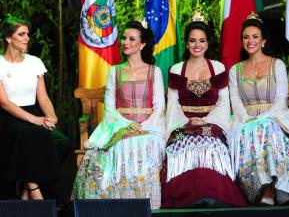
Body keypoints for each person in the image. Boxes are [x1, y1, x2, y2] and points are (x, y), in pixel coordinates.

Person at [71, 20, 166, 209]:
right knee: (102, 154)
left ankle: (142, 206)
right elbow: (110, 108)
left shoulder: (154, 72)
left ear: (142, 44)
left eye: (132, 39)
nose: (126, 42)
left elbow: (159, 107)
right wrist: (125, 126)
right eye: (124, 38)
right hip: (118, 126)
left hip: (148, 128)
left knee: (143, 147)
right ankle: (104, 208)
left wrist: (142, 127)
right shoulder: (115, 71)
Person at [161, 11, 247, 208]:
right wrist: (185, 122)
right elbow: (173, 104)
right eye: (192, 41)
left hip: (211, 123)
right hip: (183, 123)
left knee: (208, 142)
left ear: (208, 44)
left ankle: (213, 193)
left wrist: (206, 121)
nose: (197, 45)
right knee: (185, 144)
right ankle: (186, 196)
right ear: (187, 43)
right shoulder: (176, 69)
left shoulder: (217, 68)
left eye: (201, 41)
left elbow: (224, 103)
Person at [228, 12, 289, 206]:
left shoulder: (277, 64)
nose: (250, 41)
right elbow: (235, 101)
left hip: (276, 118)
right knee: (258, 130)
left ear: (263, 40)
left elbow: (280, 101)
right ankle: (267, 189)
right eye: (246, 37)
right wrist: (248, 120)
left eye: (255, 36)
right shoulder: (235, 70)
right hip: (245, 122)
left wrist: (264, 119)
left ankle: (281, 188)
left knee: (266, 128)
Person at [0, 15, 72, 200]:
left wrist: (51, 117)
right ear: (9, 38)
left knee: (62, 142)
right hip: (8, 117)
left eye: (27, 34)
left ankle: (26, 188)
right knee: (33, 136)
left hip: (34, 113)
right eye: (21, 34)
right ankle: (35, 191)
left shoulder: (34, 62)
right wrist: (34, 120)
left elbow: (43, 97)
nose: (27, 38)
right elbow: (4, 102)